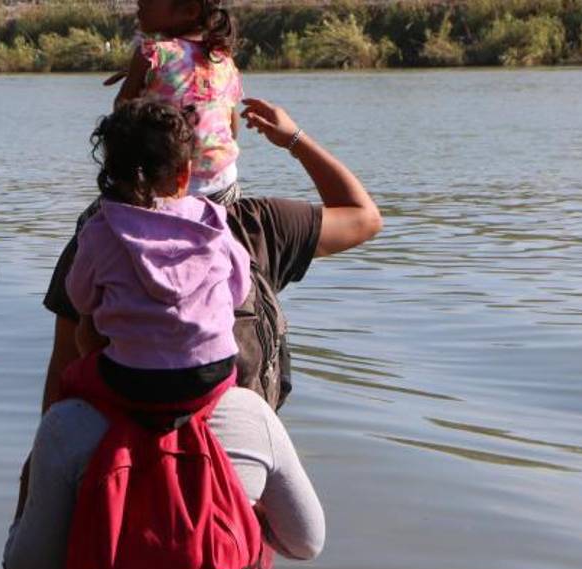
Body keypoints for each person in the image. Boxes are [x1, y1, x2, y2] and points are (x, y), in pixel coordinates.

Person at [40, 97, 382, 414]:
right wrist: (293, 138)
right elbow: (364, 217)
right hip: (218, 391)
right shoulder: (252, 226)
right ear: (186, 168)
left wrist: (40, 461)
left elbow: (64, 361)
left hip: (124, 403)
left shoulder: (96, 236)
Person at [111, 0, 243, 204]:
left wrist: (136, 76)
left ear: (190, 10)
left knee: (91, 222)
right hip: (224, 187)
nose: (140, 2)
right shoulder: (223, 59)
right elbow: (232, 130)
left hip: (170, 190)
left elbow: (121, 117)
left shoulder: (152, 54)